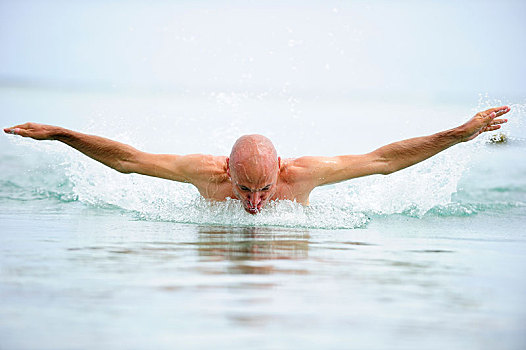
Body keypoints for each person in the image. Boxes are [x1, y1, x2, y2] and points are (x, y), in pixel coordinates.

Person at [4, 106, 510, 214]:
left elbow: (383, 161)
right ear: (225, 172)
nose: (254, 204)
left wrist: (456, 135)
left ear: (280, 170)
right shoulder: (202, 173)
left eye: (263, 190)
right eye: (244, 191)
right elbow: (130, 161)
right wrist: (62, 134)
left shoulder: (304, 175)